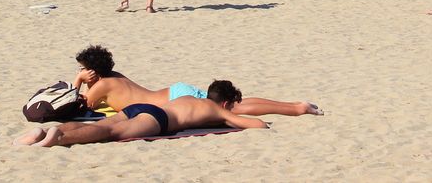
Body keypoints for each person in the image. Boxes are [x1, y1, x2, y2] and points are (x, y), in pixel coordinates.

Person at [62, 45, 320, 119]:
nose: (80, 71)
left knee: (233, 110)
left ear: (92, 71)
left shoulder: (101, 85)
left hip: (175, 101)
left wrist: (78, 80)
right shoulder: (115, 77)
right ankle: (296, 105)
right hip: (174, 92)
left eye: (83, 68)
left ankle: (298, 108)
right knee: (232, 107)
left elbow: (73, 106)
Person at [17, 82, 269, 147]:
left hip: (143, 108)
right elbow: (253, 124)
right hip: (157, 120)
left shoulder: (188, 97)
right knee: (110, 132)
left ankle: (55, 130)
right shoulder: (216, 109)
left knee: (109, 122)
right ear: (224, 102)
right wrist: (231, 118)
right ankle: (59, 138)